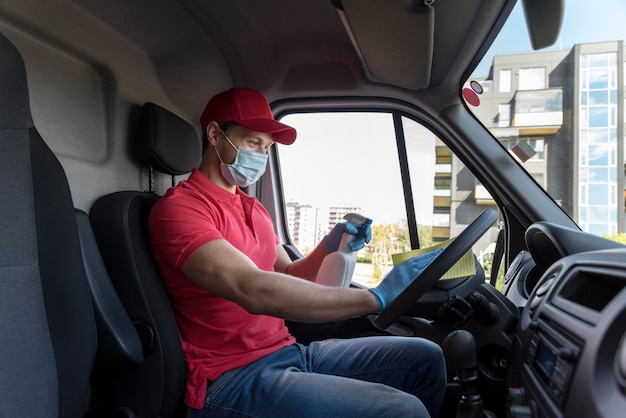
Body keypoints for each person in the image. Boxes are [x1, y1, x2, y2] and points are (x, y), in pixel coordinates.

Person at [148, 87, 446, 417]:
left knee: (426, 358)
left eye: (266, 147)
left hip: (288, 352)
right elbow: (251, 288)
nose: (261, 155)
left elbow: (287, 274)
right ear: (216, 135)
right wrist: (374, 298)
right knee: (402, 411)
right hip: (230, 377)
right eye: (252, 143)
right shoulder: (180, 210)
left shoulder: (254, 209)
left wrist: (329, 245)